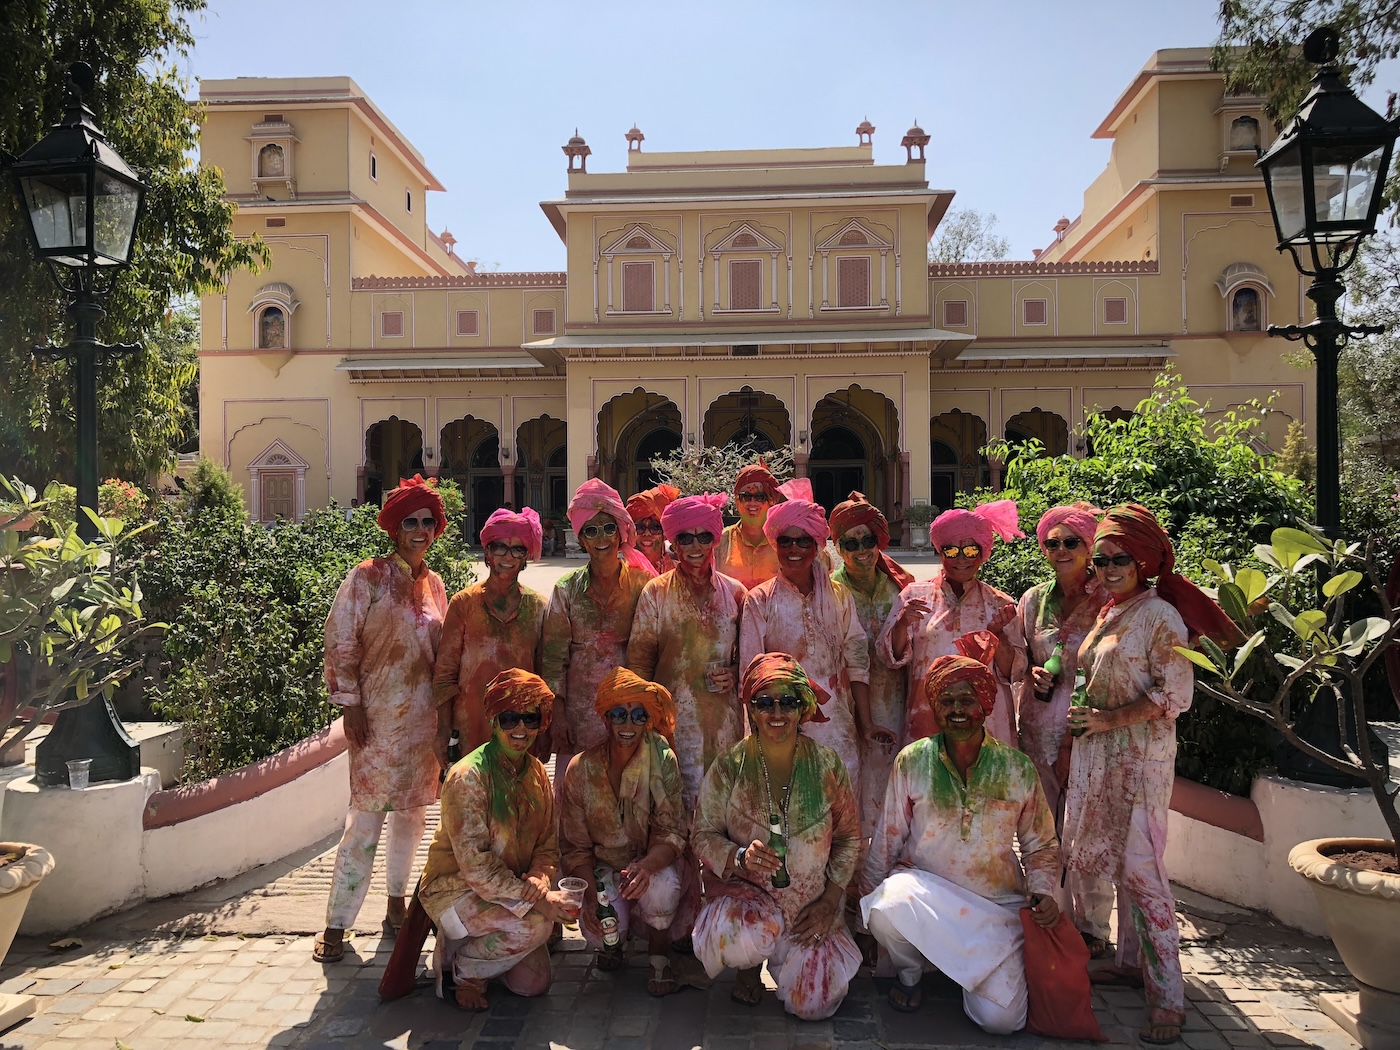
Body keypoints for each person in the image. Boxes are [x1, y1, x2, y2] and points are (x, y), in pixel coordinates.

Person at [1061, 504, 1239, 1047]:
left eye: (1122, 559)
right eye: (1103, 559)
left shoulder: (1160, 616)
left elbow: (1174, 694)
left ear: (1144, 562)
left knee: (1144, 874)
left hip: (1139, 762)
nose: (1109, 568)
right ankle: (1129, 963)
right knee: (1112, 861)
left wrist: (1110, 718)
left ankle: (1168, 998)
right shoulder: (1111, 610)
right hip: (1099, 756)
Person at [861, 639, 1061, 1034]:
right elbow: (887, 837)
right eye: (946, 701)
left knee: (1002, 1022)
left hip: (994, 910)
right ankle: (912, 974)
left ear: (986, 705)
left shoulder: (1016, 768)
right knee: (884, 906)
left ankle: (961, 972)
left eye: (967, 700)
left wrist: (1045, 892)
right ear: (934, 707)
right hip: (926, 892)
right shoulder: (912, 759)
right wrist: (862, 915)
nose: (957, 711)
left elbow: (1041, 845)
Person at [316, 475, 449, 962]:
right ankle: (336, 923)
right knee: (364, 823)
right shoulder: (366, 577)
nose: (419, 529)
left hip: (422, 726)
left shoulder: (435, 585)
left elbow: (444, 656)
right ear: (394, 528)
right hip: (373, 720)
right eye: (410, 522)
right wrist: (349, 704)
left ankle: (396, 907)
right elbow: (340, 640)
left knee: (412, 820)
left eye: (427, 522)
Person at [691, 654, 862, 1020]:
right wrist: (739, 857)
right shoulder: (729, 766)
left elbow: (849, 838)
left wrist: (830, 901)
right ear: (751, 710)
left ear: (803, 708)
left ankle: (799, 958)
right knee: (736, 939)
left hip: (811, 909)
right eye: (764, 702)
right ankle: (748, 968)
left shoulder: (828, 765)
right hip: (749, 902)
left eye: (788, 701)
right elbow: (702, 835)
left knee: (814, 1006)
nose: (777, 712)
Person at [420, 669, 572, 1009]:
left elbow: (548, 845)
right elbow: (476, 868)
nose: (521, 729)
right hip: (456, 890)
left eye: (530, 719)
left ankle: (487, 956)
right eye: (510, 718)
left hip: (510, 888)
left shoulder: (536, 774)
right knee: (537, 925)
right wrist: (537, 899)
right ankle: (464, 971)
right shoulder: (468, 777)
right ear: (494, 720)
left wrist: (540, 878)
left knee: (534, 985)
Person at [1009, 502, 1113, 956]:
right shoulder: (1033, 600)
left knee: (1089, 828)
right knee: (1041, 827)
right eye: (1053, 543)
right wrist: (1031, 672)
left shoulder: (1110, 600)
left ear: (1090, 548)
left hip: (1091, 730)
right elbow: (1018, 661)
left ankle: (1091, 929)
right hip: (1038, 728)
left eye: (1072, 542)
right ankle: (1048, 912)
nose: (1062, 550)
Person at [739, 498, 888, 789]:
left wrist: (866, 725)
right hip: (780, 724)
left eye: (803, 541)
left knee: (840, 807)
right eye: (786, 541)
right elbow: (750, 674)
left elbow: (857, 662)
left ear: (817, 546)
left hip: (837, 727)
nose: (794, 549)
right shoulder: (760, 600)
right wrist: (758, 734)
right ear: (775, 544)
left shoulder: (840, 597)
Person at [559, 667, 688, 996]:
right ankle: (613, 943)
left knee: (662, 886)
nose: (628, 725)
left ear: (647, 719)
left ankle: (659, 953)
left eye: (637, 715)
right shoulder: (581, 769)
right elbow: (574, 848)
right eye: (619, 714)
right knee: (602, 924)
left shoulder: (662, 759)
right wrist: (594, 899)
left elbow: (672, 832)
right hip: (604, 868)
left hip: (649, 863)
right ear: (606, 719)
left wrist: (645, 868)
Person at [627, 492, 746, 808]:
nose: (695, 546)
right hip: (672, 725)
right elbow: (639, 662)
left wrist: (735, 673)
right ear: (674, 543)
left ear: (714, 540)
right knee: (673, 804)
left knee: (723, 804)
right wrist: (642, 720)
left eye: (703, 536)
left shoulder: (736, 594)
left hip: (725, 724)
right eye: (685, 538)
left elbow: (751, 657)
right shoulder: (656, 593)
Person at [876, 501, 1025, 746]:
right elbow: (888, 657)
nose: (961, 559)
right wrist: (902, 625)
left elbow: (1015, 672)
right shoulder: (915, 596)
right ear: (940, 551)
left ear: (982, 552)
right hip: (928, 716)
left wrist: (999, 636)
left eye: (970, 551)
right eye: (952, 551)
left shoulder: (999, 603)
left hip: (987, 723)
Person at [541, 479, 654, 797]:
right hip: (578, 717)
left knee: (627, 798)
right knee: (572, 799)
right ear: (581, 539)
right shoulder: (566, 590)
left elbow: (650, 651)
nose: (600, 537)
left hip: (629, 715)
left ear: (620, 532)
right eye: (590, 530)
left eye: (607, 528)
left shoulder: (644, 586)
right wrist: (557, 714)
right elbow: (553, 658)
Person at [828, 492, 915, 842]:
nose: (861, 550)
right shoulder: (830, 590)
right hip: (844, 705)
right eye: (851, 543)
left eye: (869, 540)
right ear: (838, 547)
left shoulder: (900, 587)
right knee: (848, 785)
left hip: (892, 700)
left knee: (888, 783)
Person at [434, 507, 547, 755]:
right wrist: (443, 730)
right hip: (470, 729)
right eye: (499, 547)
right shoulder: (464, 604)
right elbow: (444, 675)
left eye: (518, 549)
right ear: (487, 552)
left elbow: (544, 675)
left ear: (526, 556)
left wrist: (543, 733)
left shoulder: (538, 607)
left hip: (521, 732)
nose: (508, 556)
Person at [713, 461, 783, 590]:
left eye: (760, 497)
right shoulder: (720, 542)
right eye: (746, 497)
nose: (752, 503)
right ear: (736, 500)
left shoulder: (786, 541)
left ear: (772, 501)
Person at [627, 483, 680, 574]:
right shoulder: (620, 572)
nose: (647, 533)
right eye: (640, 528)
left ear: (664, 533)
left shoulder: (679, 573)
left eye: (655, 528)